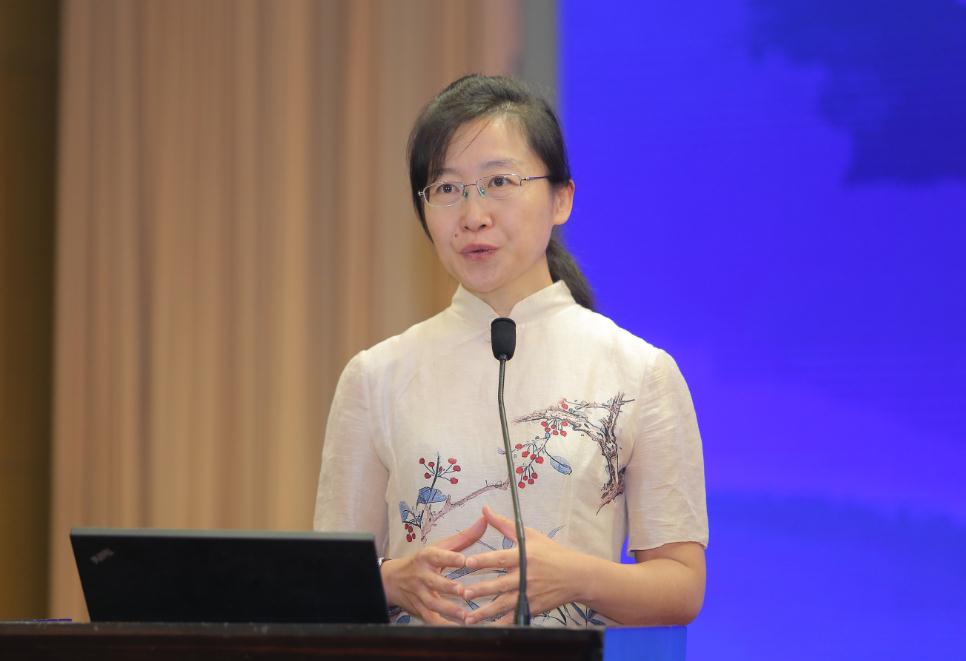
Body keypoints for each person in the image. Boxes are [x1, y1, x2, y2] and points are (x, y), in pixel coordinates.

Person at [314, 74, 708, 627]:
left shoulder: (640, 373)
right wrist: (393, 581)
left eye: (499, 181)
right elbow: (327, 581)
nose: (473, 215)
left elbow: (681, 586)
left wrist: (575, 577)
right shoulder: (376, 376)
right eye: (446, 189)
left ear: (561, 198)